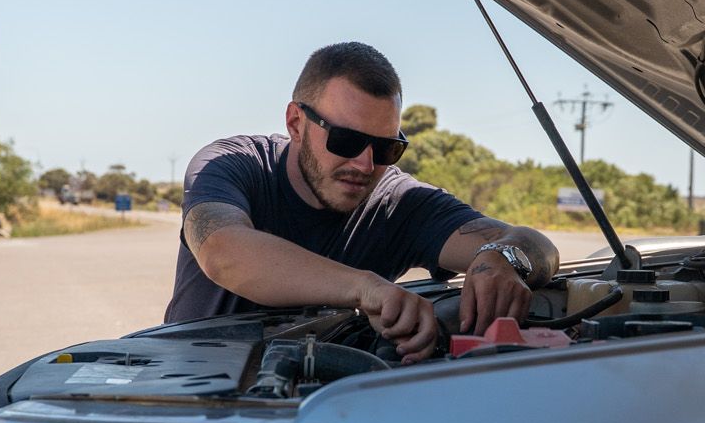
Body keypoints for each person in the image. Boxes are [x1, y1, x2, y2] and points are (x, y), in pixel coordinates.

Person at [167, 42, 560, 361]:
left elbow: (534, 244)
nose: (365, 164)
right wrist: (365, 288)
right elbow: (223, 252)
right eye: (347, 141)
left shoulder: (399, 203)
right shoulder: (232, 165)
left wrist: (502, 257)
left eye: (386, 147)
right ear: (295, 124)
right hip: (194, 408)